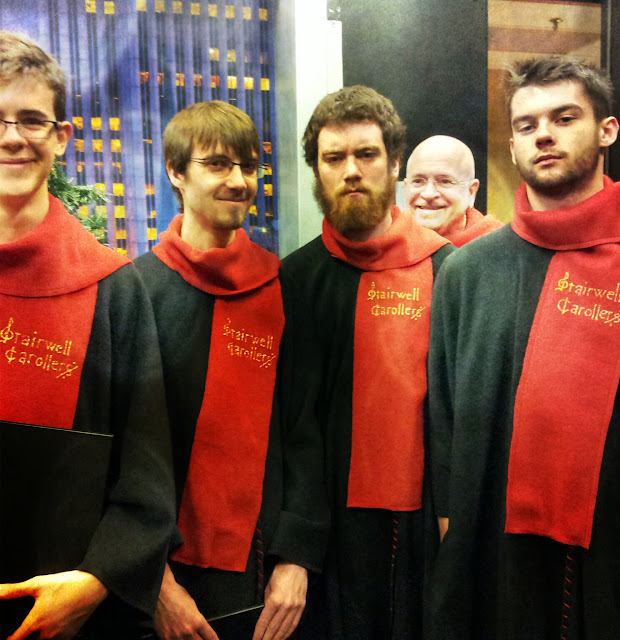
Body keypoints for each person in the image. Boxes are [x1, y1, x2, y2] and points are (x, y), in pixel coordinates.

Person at [427, 56, 620, 639]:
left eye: (564, 117)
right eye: (526, 125)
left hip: (617, 560)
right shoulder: (467, 272)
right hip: (493, 560)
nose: (543, 133)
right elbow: (442, 412)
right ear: (514, 146)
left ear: (606, 130)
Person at [0, 31, 175, 640]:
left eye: (31, 120)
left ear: (61, 137)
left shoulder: (112, 290)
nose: (12, 137)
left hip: (73, 616)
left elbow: (147, 474)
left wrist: (97, 581)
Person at [134, 100, 328, 640]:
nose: (239, 180)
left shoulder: (283, 288)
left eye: (248, 166)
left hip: (262, 570)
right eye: (218, 164)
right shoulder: (133, 291)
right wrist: (155, 583)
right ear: (176, 172)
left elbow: (305, 435)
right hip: (159, 572)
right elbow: (120, 455)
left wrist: (296, 560)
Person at [280, 85, 455, 639]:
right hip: (325, 537)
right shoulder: (293, 281)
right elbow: (291, 428)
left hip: (426, 530)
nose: (351, 171)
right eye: (334, 158)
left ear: (395, 162)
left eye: (367, 154)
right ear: (317, 171)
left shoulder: (451, 272)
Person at [404, 135, 502, 246]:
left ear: (471, 192)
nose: (429, 194)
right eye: (418, 181)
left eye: (444, 182)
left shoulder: (499, 247)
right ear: (406, 188)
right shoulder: (390, 245)